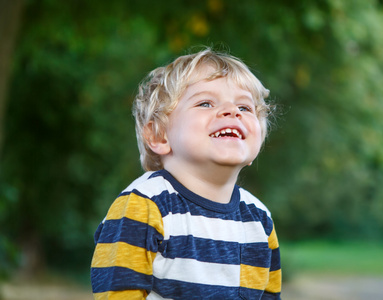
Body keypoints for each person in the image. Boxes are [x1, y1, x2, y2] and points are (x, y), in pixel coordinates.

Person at [90, 48, 281, 299]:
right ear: (159, 135)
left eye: (244, 107)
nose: (232, 111)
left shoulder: (258, 219)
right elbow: (117, 292)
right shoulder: (145, 205)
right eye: (205, 103)